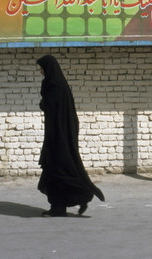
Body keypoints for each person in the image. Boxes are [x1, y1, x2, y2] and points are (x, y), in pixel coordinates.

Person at [36, 54, 104, 217]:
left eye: (41, 68)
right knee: (61, 168)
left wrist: (43, 102)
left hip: (58, 136)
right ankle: (66, 203)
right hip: (60, 133)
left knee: (58, 169)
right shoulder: (60, 85)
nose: (40, 71)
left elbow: (49, 106)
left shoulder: (53, 85)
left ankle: (64, 205)